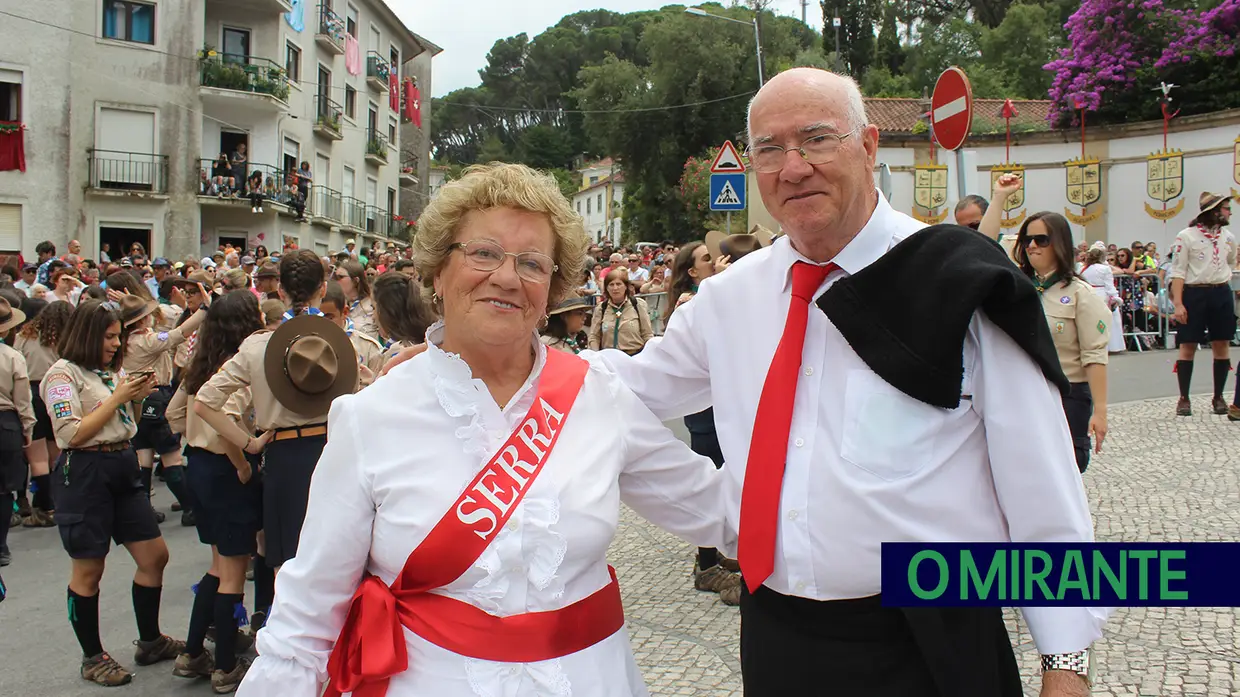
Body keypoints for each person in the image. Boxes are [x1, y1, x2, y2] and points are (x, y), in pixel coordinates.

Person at [389, 69, 1108, 696]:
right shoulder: (734, 299)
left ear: (868, 147)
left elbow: (1042, 487)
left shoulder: (962, 279)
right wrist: (475, 360)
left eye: (816, 139)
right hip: (779, 631)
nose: (793, 167)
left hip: (935, 632)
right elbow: (628, 386)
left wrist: (1065, 661)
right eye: (770, 149)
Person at [236, 163, 727, 697]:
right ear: (437, 273)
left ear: (552, 290)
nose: (508, 277)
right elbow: (304, 623)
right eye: (483, 252)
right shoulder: (370, 418)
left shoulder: (599, 397)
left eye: (533, 263)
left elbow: (723, 511)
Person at [44, 299, 184, 686]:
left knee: (154, 555)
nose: (114, 344)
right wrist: (119, 398)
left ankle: (151, 640)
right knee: (89, 568)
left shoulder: (108, 372)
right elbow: (70, 433)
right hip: (85, 471)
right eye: (108, 337)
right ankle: (93, 657)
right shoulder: (62, 376)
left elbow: (127, 422)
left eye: (117, 336)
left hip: (121, 464)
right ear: (88, 335)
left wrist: (135, 400)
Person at [193, 250, 354, 571]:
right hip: (336, 451)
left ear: (280, 292)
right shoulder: (340, 343)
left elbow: (204, 402)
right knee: (340, 561)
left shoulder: (258, 346)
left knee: (289, 566)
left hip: (284, 455)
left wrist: (248, 443)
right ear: (323, 289)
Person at [167, 291, 264, 692]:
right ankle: (225, 665)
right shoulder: (234, 370)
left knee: (218, 564)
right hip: (227, 469)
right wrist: (243, 456)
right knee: (235, 572)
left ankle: (192, 653)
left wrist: (195, 434)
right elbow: (226, 416)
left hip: (199, 467)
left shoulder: (199, 365)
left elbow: (174, 413)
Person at [1011, 212, 1111, 473]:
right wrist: (999, 198)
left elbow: (1094, 356)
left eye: (1041, 240)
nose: (1031, 246)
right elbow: (984, 241)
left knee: (1067, 469)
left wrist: (1100, 411)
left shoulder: (1081, 294)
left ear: (1059, 244)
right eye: (1027, 239)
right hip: (1023, 393)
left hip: (1068, 395)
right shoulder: (1016, 288)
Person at [119, 292, 206, 526]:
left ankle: (144, 509)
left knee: (144, 454)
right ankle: (190, 508)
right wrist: (203, 311)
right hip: (156, 395)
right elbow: (178, 335)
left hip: (135, 398)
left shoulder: (123, 341)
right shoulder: (146, 341)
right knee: (171, 456)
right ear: (141, 320)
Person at [1168, 191, 1237, 417]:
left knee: (1221, 344)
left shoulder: (1229, 237)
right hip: (1194, 294)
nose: (1230, 212)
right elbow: (1178, 271)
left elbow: (1229, 262)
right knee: (1187, 345)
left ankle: (1218, 397)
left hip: (1221, 293)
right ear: (1214, 211)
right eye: (1226, 208)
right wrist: (1178, 304)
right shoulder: (1186, 236)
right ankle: (1184, 398)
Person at [15, 299, 73, 528]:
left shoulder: (25, 337)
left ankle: (43, 507)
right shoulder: (66, 340)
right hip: (58, 391)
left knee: (36, 457)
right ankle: (59, 501)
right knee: (57, 453)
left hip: (32, 393)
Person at [0, 297, 34, 567]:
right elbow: (22, 398)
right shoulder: (12, 357)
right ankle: (0, 546)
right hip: (5, 421)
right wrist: (27, 427)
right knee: (3, 489)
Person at [320, 282, 385, 387]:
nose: (322, 324)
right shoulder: (304, 346)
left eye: (329, 318)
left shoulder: (369, 349)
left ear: (345, 312)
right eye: (316, 318)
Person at [369, 271, 433, 363]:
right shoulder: (430, 344)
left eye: (374, 308)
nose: (373, 316)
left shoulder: (398, 354)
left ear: (388, 311)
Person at [588, 268, 653, 354]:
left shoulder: (638, 305)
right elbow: (594, 336)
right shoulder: (601, 308)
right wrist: (595, 356)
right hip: (609, 359)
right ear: (606, 288)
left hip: (634, 357)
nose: (615, 288)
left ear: (626, 286)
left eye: (618, 284)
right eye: (611, 285)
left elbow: (647, 334)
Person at [1080, 246, 1126, 354]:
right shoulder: (1105, 269)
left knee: (1092, 321)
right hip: (1102, 294)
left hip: (1088, 294)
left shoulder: (1083, 269)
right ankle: (1111, 346)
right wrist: (1115, 298)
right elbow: (1109, 286)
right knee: (1107, 320)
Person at [332, 260, 378, 336]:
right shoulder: (335, 304)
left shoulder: (372, 306)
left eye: (340, 277)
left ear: (356, 280)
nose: (336, 280)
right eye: (334, 276)